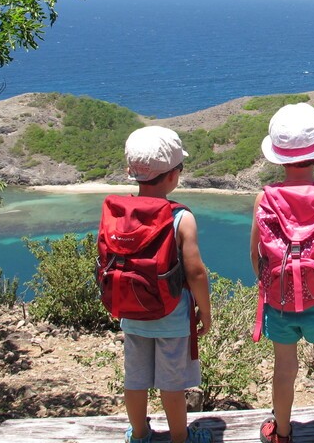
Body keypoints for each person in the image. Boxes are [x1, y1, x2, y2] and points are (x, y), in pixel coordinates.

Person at [251, 103, 314, 443]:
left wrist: (274, 286)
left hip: (279, 301)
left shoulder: (265, 197)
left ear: (278, 157)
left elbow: (256, 256)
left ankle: (281, 431)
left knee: (283, 369)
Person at [120, 126, 212, 443]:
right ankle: (179, 438)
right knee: (171, 383)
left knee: (135, 379)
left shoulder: (121, 214)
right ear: (174, 176)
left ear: (131, 172)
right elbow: (196, 272)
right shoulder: (180, 217)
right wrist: (205, 311)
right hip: (172, 317)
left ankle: (140, 434)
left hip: (132, 312)